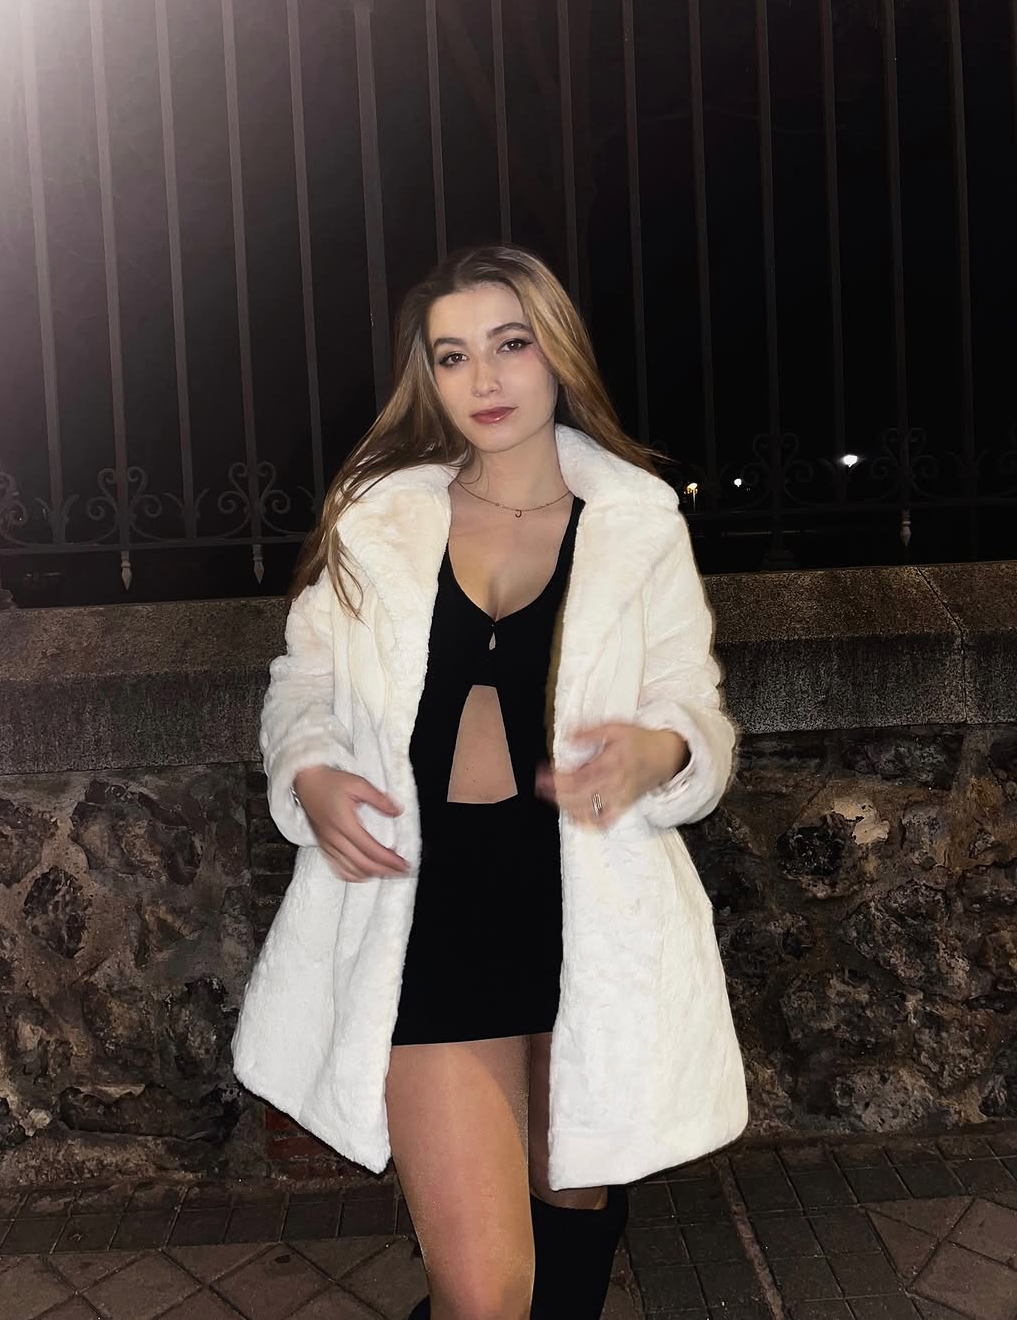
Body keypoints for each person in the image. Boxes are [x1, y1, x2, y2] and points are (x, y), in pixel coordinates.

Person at [231, 245, 748, 1319]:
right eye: (453, 354)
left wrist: (660, 753)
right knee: (483, 1292)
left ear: (556, 353)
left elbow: (691, 703)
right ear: (428, 376)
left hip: (585, 920)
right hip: (425, 917)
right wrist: (309, 770)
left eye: (511, 344)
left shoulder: (637, 524)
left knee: (573, 1211)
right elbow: (303, 681)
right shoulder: (379, 520)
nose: (486, 378)